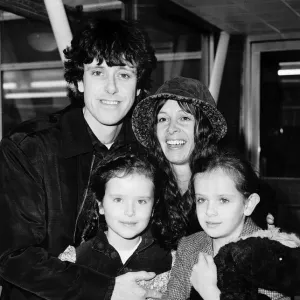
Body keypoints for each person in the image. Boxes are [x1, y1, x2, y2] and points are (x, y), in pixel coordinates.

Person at [0, 19, 159, 300]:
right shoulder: (29, 148)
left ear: (138, 88)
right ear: (78, 81)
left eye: (124, 74)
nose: (111, 88)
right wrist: (106, 290)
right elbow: (13, 256)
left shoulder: (145, 151)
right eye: (98, 72)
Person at [132, 76, 275, 250]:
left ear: (203, 128)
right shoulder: (143, 183)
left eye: (184, 118)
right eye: (162, 119)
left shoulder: (232, 186)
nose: (171, 128)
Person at [161, 149, 289, 300]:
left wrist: (210, 292)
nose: (210, 211)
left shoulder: (270, 254)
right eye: (201, 200)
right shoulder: (189, 246)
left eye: (223, 200)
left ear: (248, 204)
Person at [58, 150, 173, 295]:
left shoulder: (173, 263)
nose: (130, 211)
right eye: (118, 200)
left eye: (141, 201)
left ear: (153, 208)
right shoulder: (72, 261)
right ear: (100, 205)